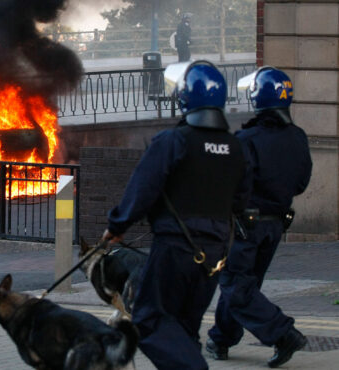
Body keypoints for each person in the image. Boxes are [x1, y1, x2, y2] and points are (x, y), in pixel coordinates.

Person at [102, 60, 251, 370]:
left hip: (176, 249)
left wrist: (118, 225)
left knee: (149, 319)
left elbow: (143, 187)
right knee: (184, 329)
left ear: (184, 98)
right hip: (216, 255)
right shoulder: (237, 147)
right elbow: (241, 200)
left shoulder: (174, 141)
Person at [206, 67, 312, 368]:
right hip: (277, 224)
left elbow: (233, 183)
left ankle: (283, 333)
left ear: (257, 96)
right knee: (245, 284)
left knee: (234, 283)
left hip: (246, 225)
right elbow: (302, 183)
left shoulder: (248, 138)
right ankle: (221, 339)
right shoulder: (298, 137)